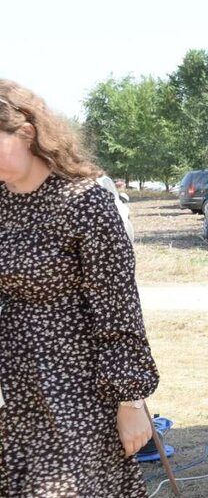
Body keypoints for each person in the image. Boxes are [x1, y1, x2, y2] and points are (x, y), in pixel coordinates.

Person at [0, 79, 159, 496]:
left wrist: (131, 401)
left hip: (79, 388)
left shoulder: (84, 202)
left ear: (27, 132)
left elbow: (118, 306)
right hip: (15, 386)